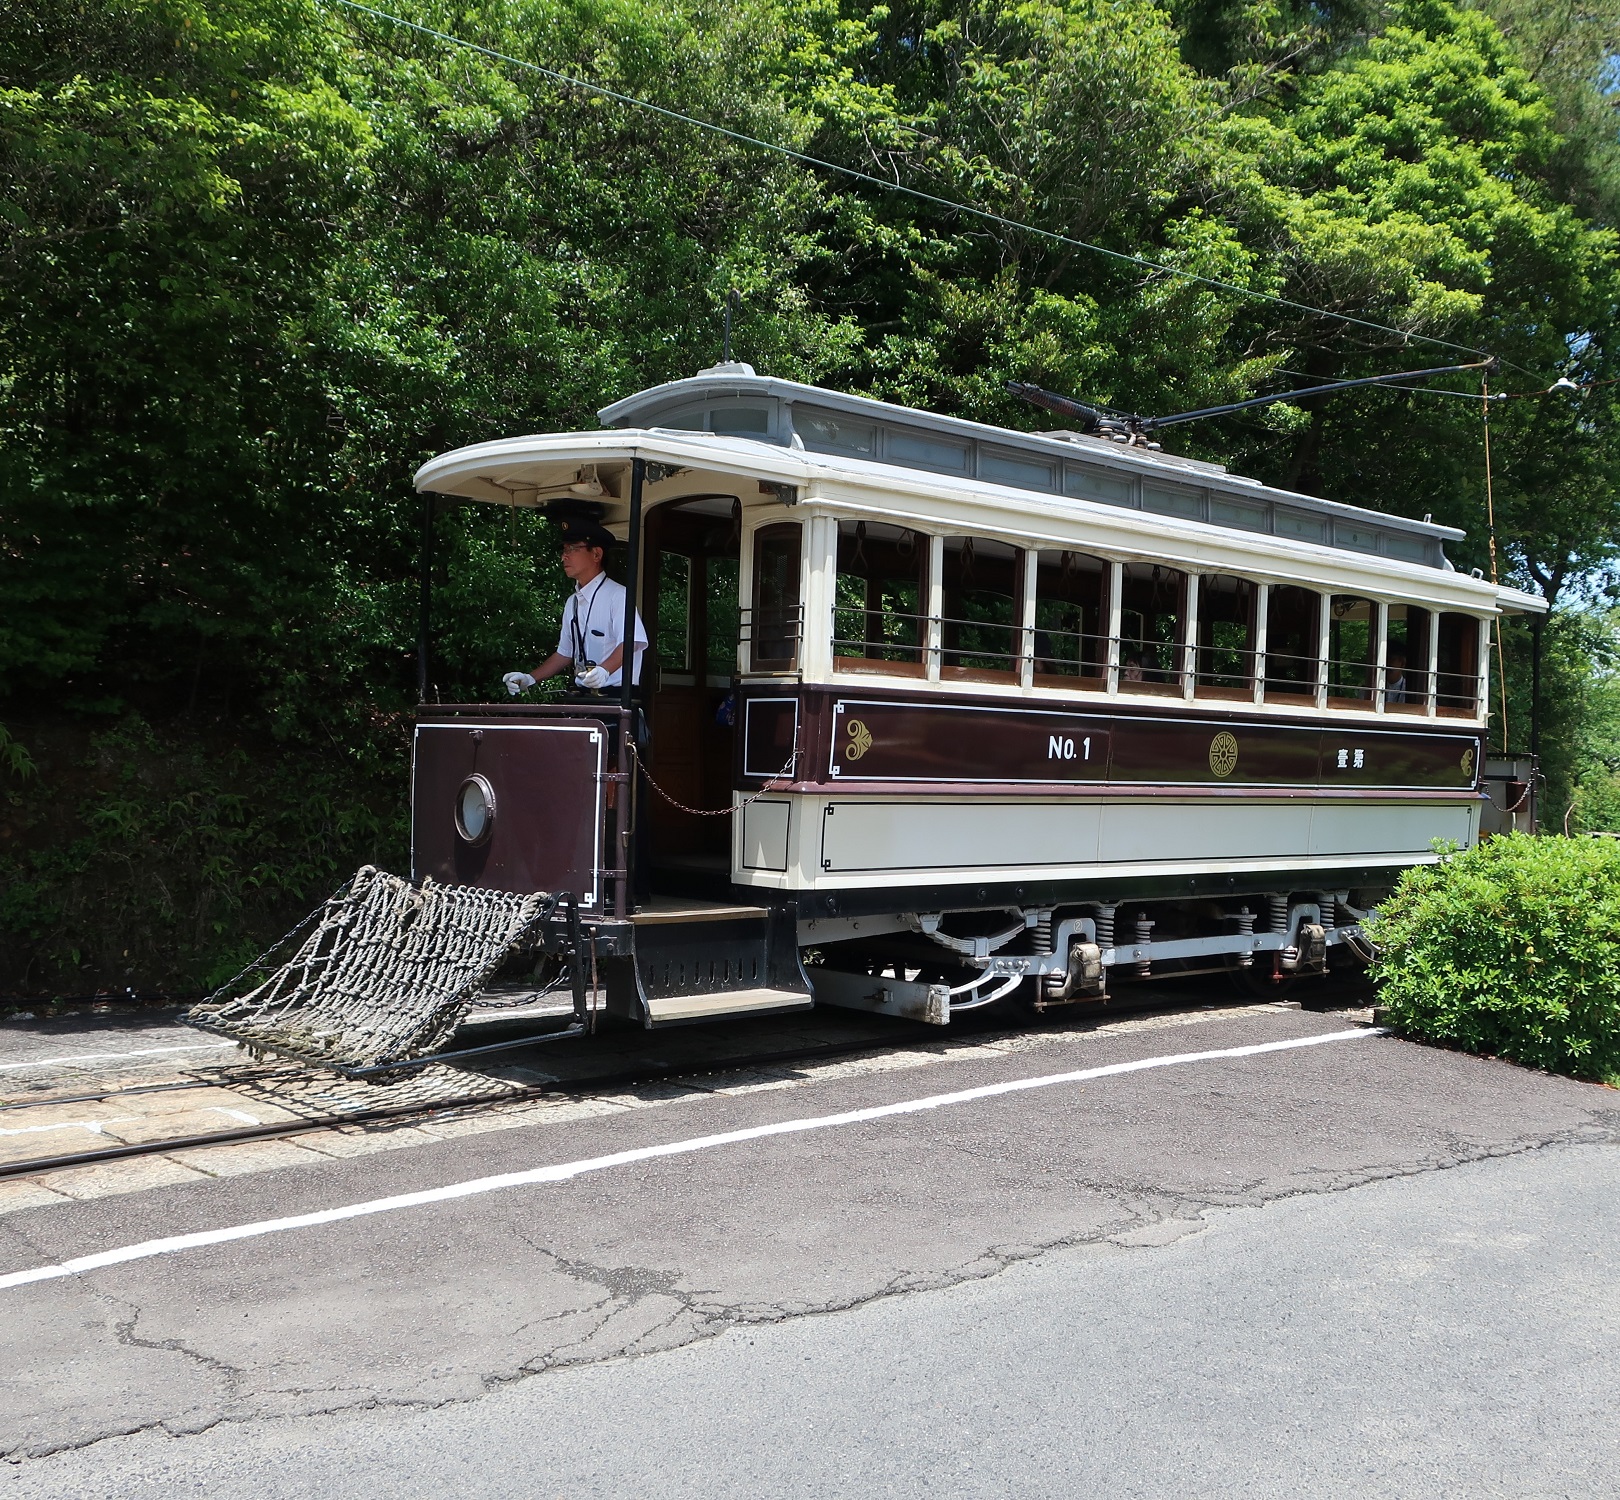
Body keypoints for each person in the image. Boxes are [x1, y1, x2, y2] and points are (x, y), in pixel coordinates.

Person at [504, 514, 647, 696]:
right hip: (582, 696)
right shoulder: (572, 602)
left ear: (596, 554)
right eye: (564, 549)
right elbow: (564, 653)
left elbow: (630, 642)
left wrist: (604, 670)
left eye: (572, 548)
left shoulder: (618, 596)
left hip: (615, 698)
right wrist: (530, 678)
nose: (564, 556)